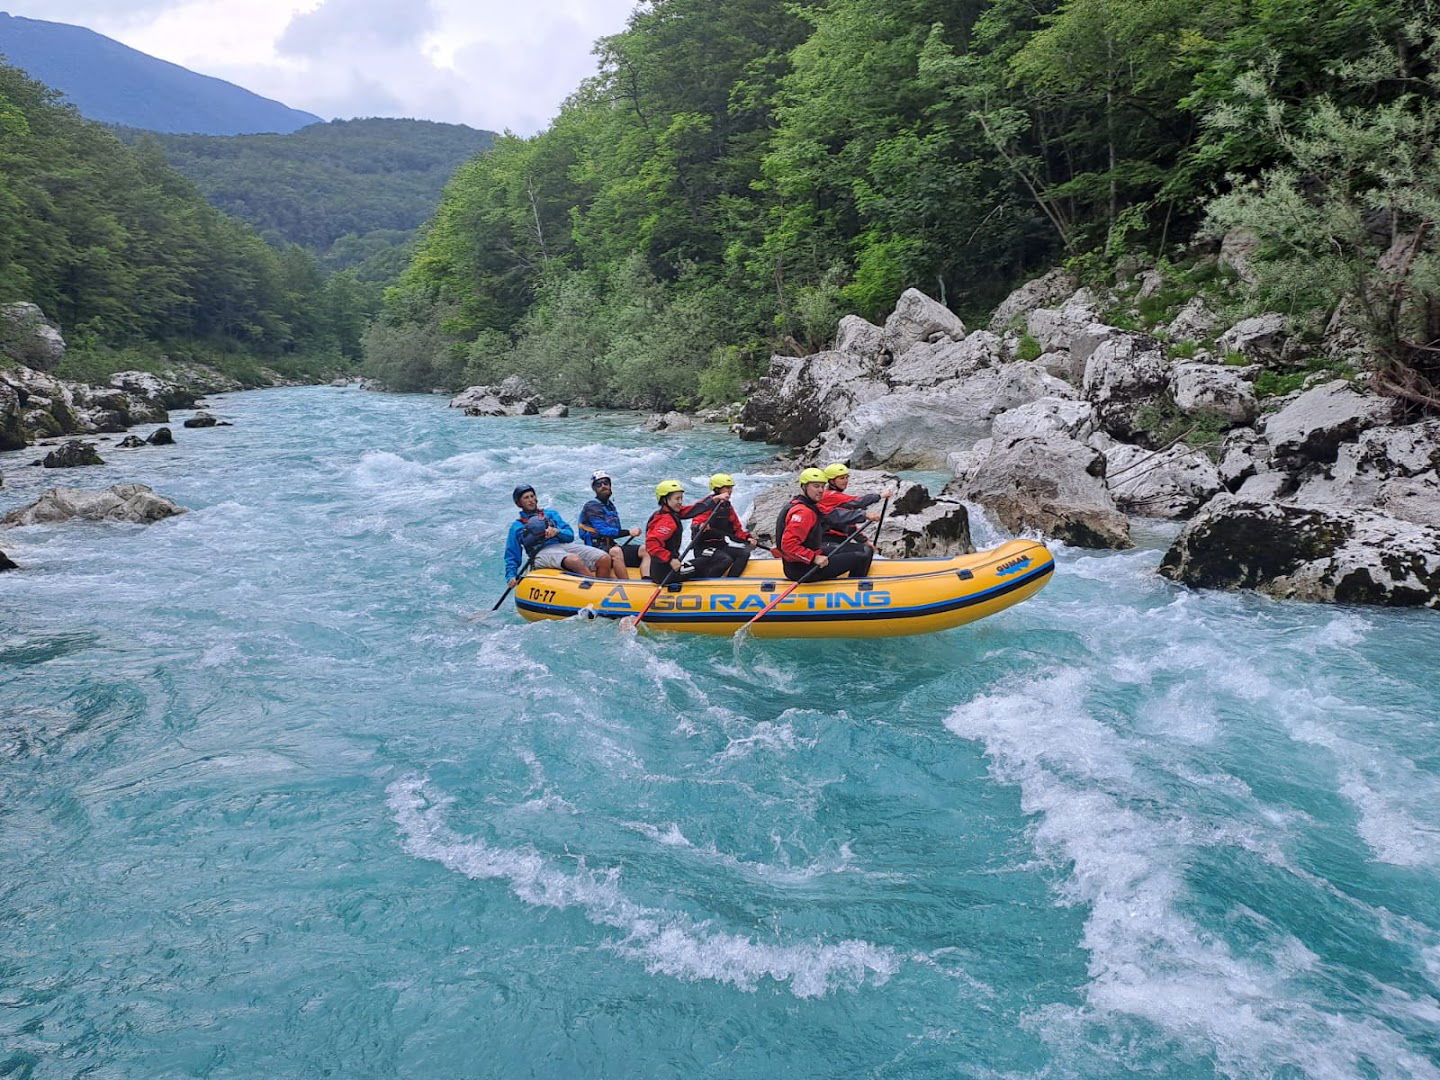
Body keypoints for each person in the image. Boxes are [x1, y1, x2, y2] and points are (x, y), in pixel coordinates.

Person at [503, 484, 617, 587]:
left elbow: (570, 535)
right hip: (539, 554)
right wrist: (511, 576)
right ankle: (597, 590)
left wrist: (557, 532)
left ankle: (601, 589)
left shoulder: (551, 514)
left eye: (532, 496)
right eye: (526, 498)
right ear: (519, 503)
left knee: (604, 558)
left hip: (561, 546)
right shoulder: (517, 527)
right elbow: (512, 555)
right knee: (574, 560)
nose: (531, 500)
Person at [775, 468, 874, 582]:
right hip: (803, 569)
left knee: (865, 549)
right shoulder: (803, 512)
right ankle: (856, 591)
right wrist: (814, 558)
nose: (821, 490)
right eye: (816, 486)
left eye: (822, 486)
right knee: (863, 555)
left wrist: (864, 515)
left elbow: (834, 514)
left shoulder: (808, 505)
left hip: (806, 559)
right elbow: (788, 546)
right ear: (804, 487)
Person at [644, 480, 731, 584]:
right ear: (665, 500)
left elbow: (694, 509)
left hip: (666, 569)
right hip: (667, 574)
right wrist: (670, 559)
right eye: (677, 498)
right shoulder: (666, 521)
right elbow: (651, 544)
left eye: (681, 498)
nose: (680, 502)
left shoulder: (670, 513)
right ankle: (706, 589)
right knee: (712, 562)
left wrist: (715, 499)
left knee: (705, 560)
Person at [576, 469, 645, 581]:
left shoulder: (609, 505)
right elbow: (603, 531)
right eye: (599, 484)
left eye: (606, 483)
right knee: (616, 551)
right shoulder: (592, 507)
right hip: (595, 550)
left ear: (610, 485)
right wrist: (628, 532)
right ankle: (626, 585)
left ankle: (647, 580)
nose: (603, 486)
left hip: (609, 547)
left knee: (644, 549)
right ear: (594, 489)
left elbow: (615, 529)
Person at [689, 473, 757, 578]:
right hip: (703, 548)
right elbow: (696, 523)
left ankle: (731, 581)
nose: (730, 490)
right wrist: (700, 526)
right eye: (727, 488)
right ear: (717, 489)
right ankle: (708, 582)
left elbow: (736, 531)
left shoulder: (727, 507)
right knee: (726, 559)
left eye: (731, 488)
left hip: (720, 546)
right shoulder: (706, 504)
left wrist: (748, 538)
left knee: (744, 553)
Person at [817, 462, 890, 552]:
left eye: (847, 477)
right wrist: (880, 496)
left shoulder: (838, 500)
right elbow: (857, 502)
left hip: (837, 540)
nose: (845, 481)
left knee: (865, 550)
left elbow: (849, 525)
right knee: (863, 552)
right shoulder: (829, 495)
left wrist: (866, 541)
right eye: (841, 478)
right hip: (827, 540)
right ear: (831, 481)